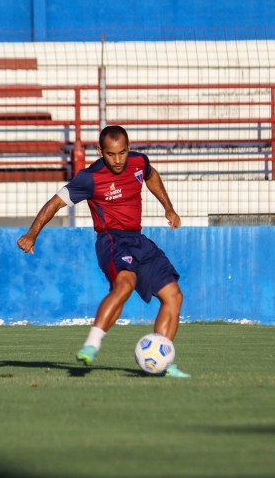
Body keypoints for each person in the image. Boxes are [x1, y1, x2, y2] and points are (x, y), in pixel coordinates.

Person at [17, 125, 190, 378]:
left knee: (174, 295)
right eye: (111, 154)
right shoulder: (89, 177)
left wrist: (169, 208)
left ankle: (163, 360)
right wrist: (32, 234)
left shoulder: (139, 162)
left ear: (129, 149)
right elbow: (55, 202)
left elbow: (151, 176)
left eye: (122, 153)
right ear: (100, 151)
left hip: (139, 240)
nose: (118, 160)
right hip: (112, 240)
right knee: (125, 283)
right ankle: (92, 344)